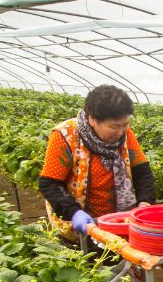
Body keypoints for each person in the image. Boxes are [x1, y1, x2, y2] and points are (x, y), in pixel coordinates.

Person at [38, 84, 156, 244]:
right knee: (86, 264)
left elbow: (141, 171)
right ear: (92, 119)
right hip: (80, 223)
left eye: (125, 124)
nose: (121, 132)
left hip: (118, 222)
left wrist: (145, 202)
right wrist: (73, 212)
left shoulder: (125, 134)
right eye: (114, 127)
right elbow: (49, 183)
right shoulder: (65, 135)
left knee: (122, 263)